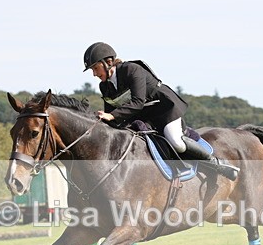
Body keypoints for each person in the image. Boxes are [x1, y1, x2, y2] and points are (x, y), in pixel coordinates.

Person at [83, 42, 238, 180]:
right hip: (145, 117)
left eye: (96, 68)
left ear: (108, 62)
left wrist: (111, 115)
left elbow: (137, 102)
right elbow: (113, 114)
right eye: (92, 70)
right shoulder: (105, 86)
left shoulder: (131, 70)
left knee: (176, 142)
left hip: (165, 109)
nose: (95, 74)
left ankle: (217, 163)